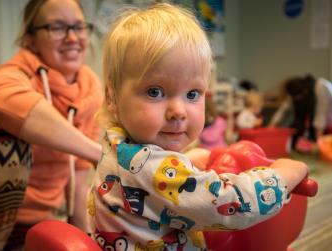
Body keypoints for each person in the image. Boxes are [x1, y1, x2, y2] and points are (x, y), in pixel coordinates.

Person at [86, 3, 309, 250]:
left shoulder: (118, 144)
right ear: (112, 97)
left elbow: (152, 178)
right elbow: (231, 205)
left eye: (192, 94)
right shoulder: (146, 168)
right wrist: (285, 174)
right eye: (155, 91)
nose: (179, 111)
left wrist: (187, 160)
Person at [0, 0, 103, 250]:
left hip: (42, 216)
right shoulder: (19, 71)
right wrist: (97, 153)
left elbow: (77, 179)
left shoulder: (90, 88)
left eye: (79, 26)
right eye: (57, 27)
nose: (72, 37)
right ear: (31, 39)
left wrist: (83, 235)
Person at [269, 74, 332, 149]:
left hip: (328, 122)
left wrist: (319, 142)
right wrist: (271, 126)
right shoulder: (294, 92)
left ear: (304, 92)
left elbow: (321, 115)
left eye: (298, 97)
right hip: (318, 122)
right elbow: (284, 109)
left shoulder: (321, 88)